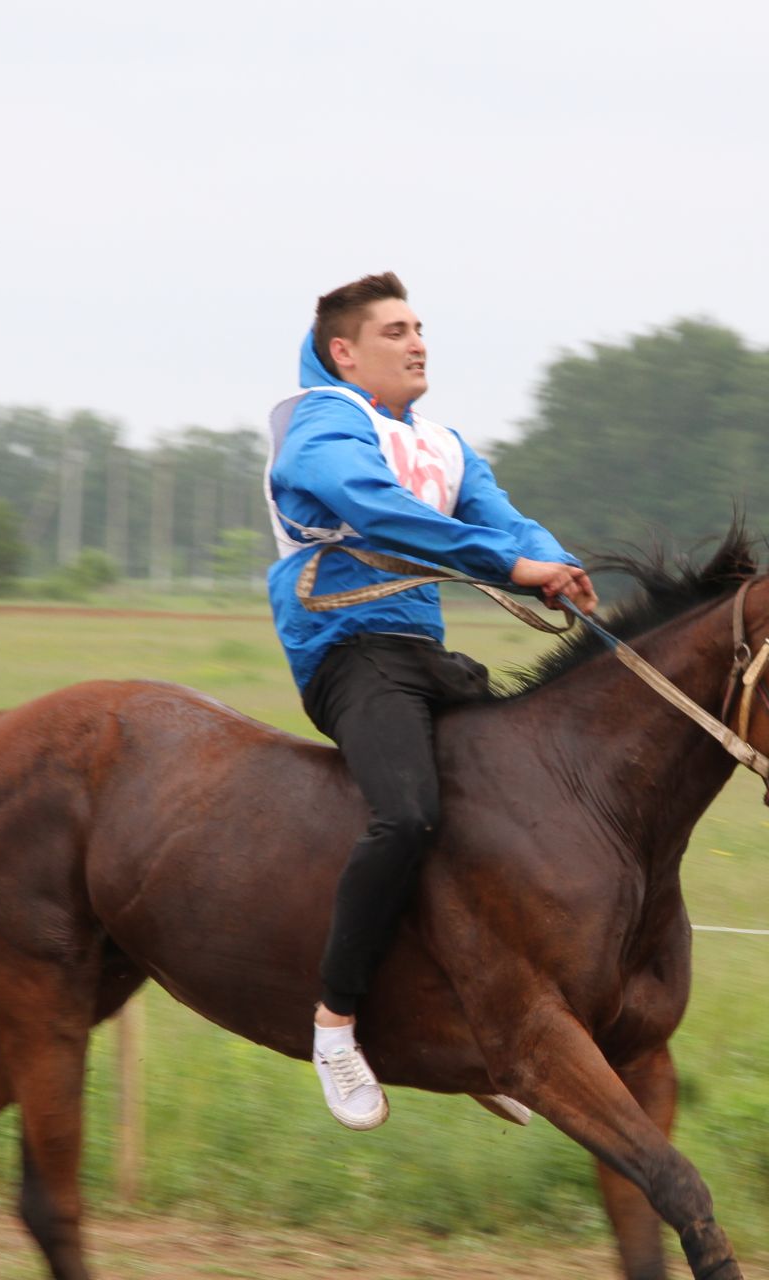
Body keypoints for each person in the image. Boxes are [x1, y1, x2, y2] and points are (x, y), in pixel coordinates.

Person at [264, 272, 598, 1129]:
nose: (417, 343)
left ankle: (475, 1024)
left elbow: (506, 521)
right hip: (347, 655)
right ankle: (335, 1026)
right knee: (408, 818)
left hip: (425, 655)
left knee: (508, 813)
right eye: (395, 331)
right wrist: (510, 567)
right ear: (346, 351)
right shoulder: (323, 424)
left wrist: (554, 562)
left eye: (421, 328)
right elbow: (371, 509)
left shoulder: (445, 444)